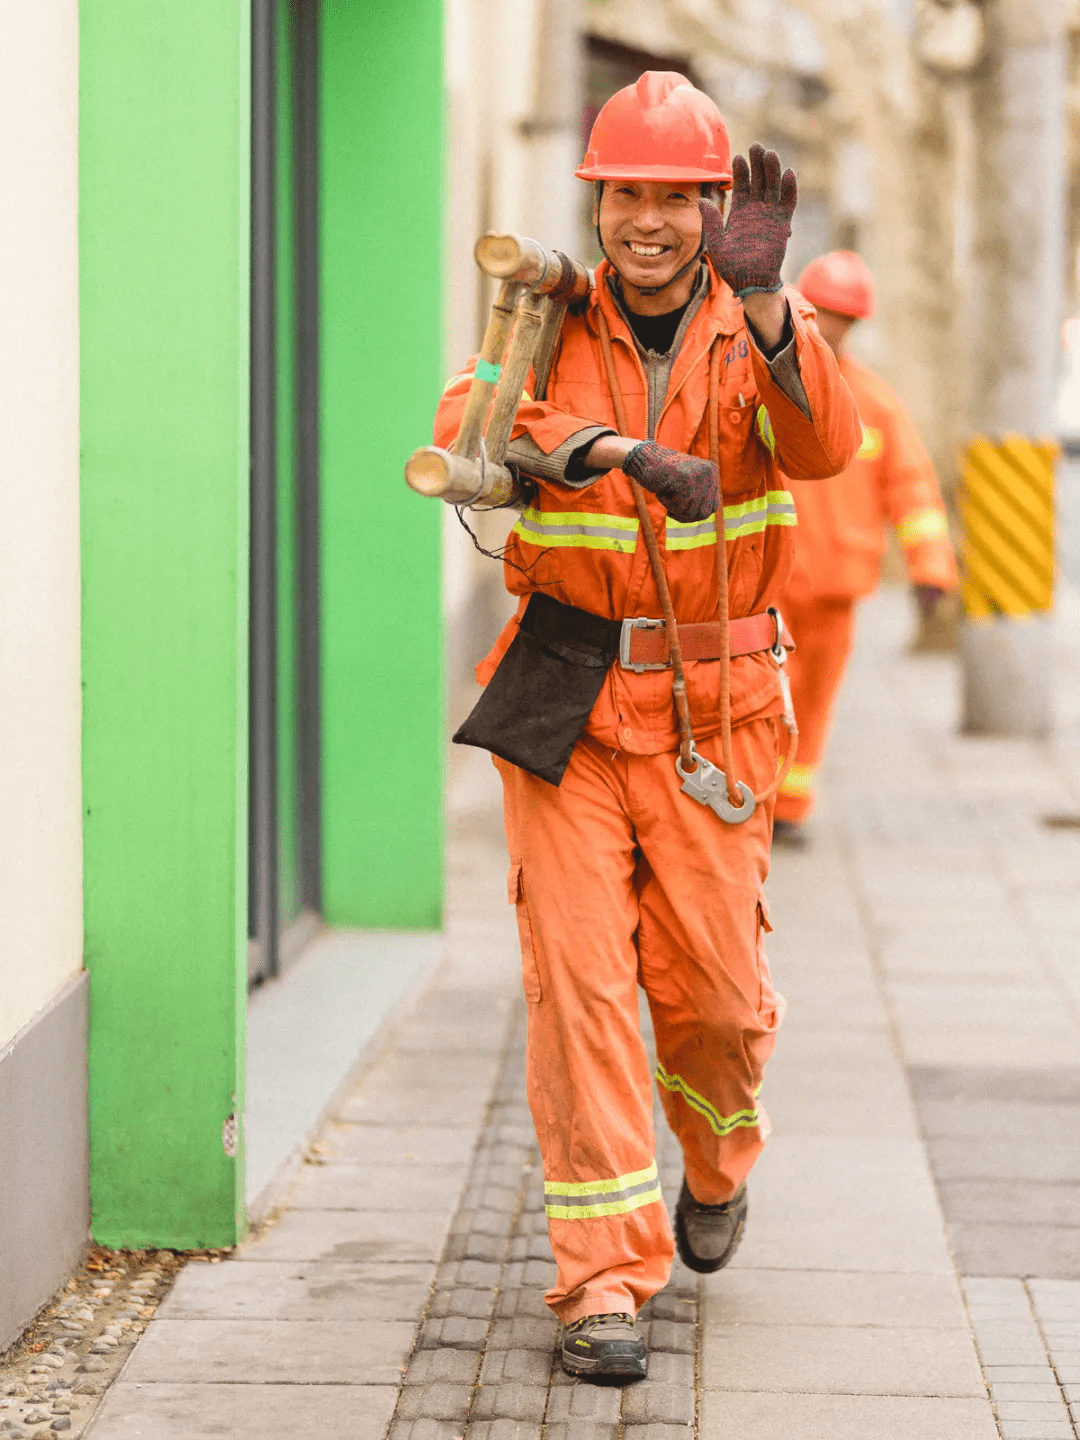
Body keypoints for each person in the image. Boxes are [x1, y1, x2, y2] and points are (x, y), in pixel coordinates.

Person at [433, 72, 861, 1380]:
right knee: (579, 992)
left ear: (715, 208)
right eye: (629, 193)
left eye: (678, 196)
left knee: (718, 1002)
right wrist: (609, 451)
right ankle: (603, 1278)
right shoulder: (548, 313)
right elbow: (464, 426)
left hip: (716, 715)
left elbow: (827, 445)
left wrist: (778, 308)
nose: (651, 221)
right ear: (598, 199)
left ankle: (719, 1166)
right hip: (566, 696)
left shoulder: (751, 328)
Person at [774, 251, 959, 843]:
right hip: (766, 585)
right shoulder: (767, 385)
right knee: (757, 704)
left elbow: (912, 488)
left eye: (844, 318)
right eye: (825, 312)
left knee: (814, 701)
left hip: (834, 589)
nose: (832, 326)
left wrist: (931, 569)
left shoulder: (875, 403)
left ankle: (790, 808)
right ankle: (752, 802)